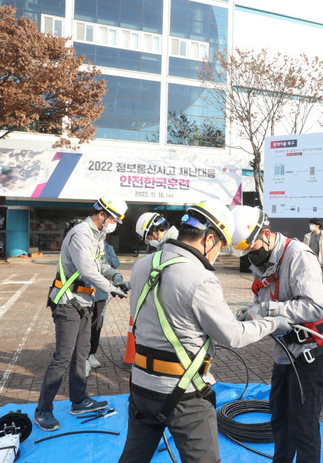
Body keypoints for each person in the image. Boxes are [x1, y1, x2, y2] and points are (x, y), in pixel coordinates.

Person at [118, 199, 290, 463]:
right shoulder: (200, 277)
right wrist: (274, 323)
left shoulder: (143, 265)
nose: (217, 254)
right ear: (209, 239)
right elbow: (233, 336)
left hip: (141, 386)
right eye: (220, 246)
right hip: (185, 396)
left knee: (133, 458)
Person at [232, 206, 323, 463]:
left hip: (309, 353)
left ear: (266, 234)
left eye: (252, 248)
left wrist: (267, 309)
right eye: (245, 252)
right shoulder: (262, 259)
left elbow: (314, 306)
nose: (250, 257)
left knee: (303, 426)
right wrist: (254, 313)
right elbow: (264, 296)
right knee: (279, 420)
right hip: (284, 353)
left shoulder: (298, 256)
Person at [34, 194, 130, 431]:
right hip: (67, 302)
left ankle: (79, 401)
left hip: (84, 303)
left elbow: (101, 264)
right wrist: (111, 289)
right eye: (114, 218)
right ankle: (42, 410)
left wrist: (116, 277)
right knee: (63, 356)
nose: (114, 223)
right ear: (102, 214)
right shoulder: (81, 234)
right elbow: (87, 270)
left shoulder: (99, 236)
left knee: (82, 353)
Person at [86, 233, 120, 377]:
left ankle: (91, 354)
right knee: (84, 326)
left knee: (96, 325)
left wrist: (105, 251)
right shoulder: (86, 246)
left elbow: (115, 264)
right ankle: (82, 358)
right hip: (85, 294)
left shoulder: (108, 248)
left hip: (100, 293)